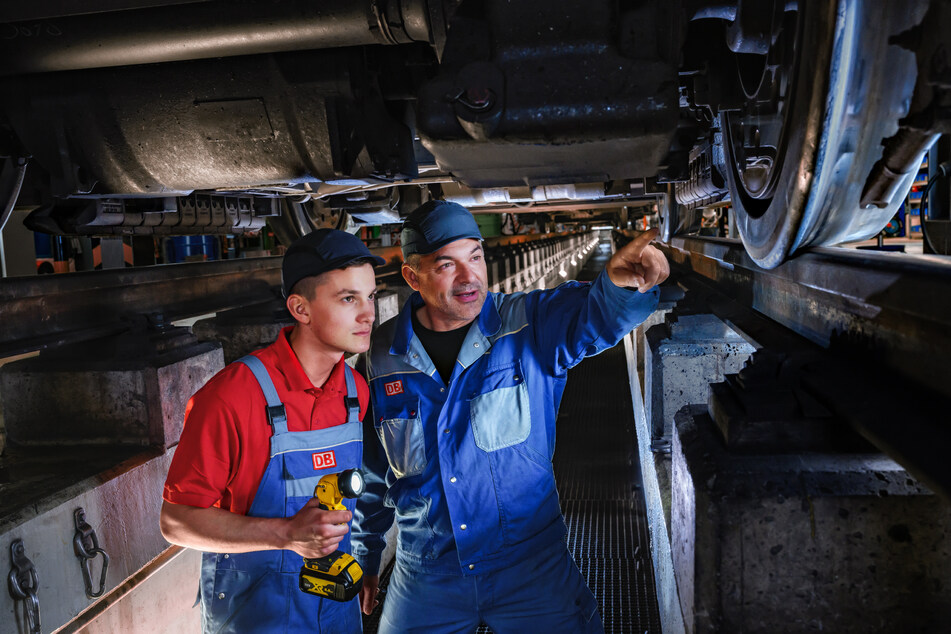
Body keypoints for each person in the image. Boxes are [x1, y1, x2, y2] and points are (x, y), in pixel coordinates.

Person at [351, 201, 669, 633]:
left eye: (475, 257)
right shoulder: (380, 358)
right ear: (412, 277)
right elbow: (372, 470)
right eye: (447, 265)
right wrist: (366, 555)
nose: (469, 278)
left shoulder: (526, 323)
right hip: (427, 569)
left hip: (529, 562)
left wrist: (619, 285)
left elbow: (593, 318)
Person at [160, 228, 384, 634]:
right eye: (348, 298)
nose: (369, 313)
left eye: (370, 296)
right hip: (259, 619)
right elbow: (175, 522)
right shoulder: (232, 397)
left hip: (337, 613)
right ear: (301, 309)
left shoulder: (356, 392)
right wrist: (285, 535)